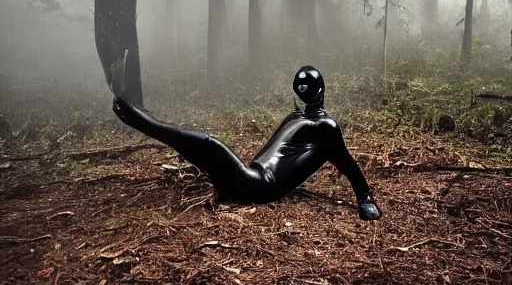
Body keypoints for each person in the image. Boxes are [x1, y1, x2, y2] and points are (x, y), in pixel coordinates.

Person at [113, 66, 381, 220]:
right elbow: (271, 153)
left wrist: (365, 198)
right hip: (249, 177)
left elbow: (347, 164)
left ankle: (149, 124)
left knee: (210, 146)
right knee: (207, 154)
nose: (303, 95)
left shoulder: (326, 128)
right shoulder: (295, 117)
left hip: (259, 186)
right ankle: (148, 122)